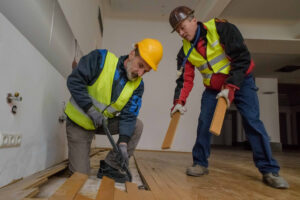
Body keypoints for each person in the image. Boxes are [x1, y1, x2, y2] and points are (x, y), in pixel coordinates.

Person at [168, 6, 289, 189]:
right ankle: (200, 163)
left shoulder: (221, 29)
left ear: (194, 20)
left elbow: (242, 58)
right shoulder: (184, 51)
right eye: (177, 30)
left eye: (182, 27)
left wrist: (231, 86)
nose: (181, 33)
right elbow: (184, 80)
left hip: (241, 82)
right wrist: (178, 102)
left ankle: (269, 170)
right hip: (213, 89)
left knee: (252, 121)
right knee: (204, 122)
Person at [64, 38, 163, 183]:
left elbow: (129, 116)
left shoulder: (137, 86)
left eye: (145, 71)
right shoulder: (101, 59)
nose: (140, 73)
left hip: (100, 123)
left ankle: (110, 167)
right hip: (79, 123)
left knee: (137, 125)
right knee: (80, 178)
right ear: (131, 54)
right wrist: (90, 109)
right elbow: (74, 81)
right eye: (140, 65)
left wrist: (123, 142)